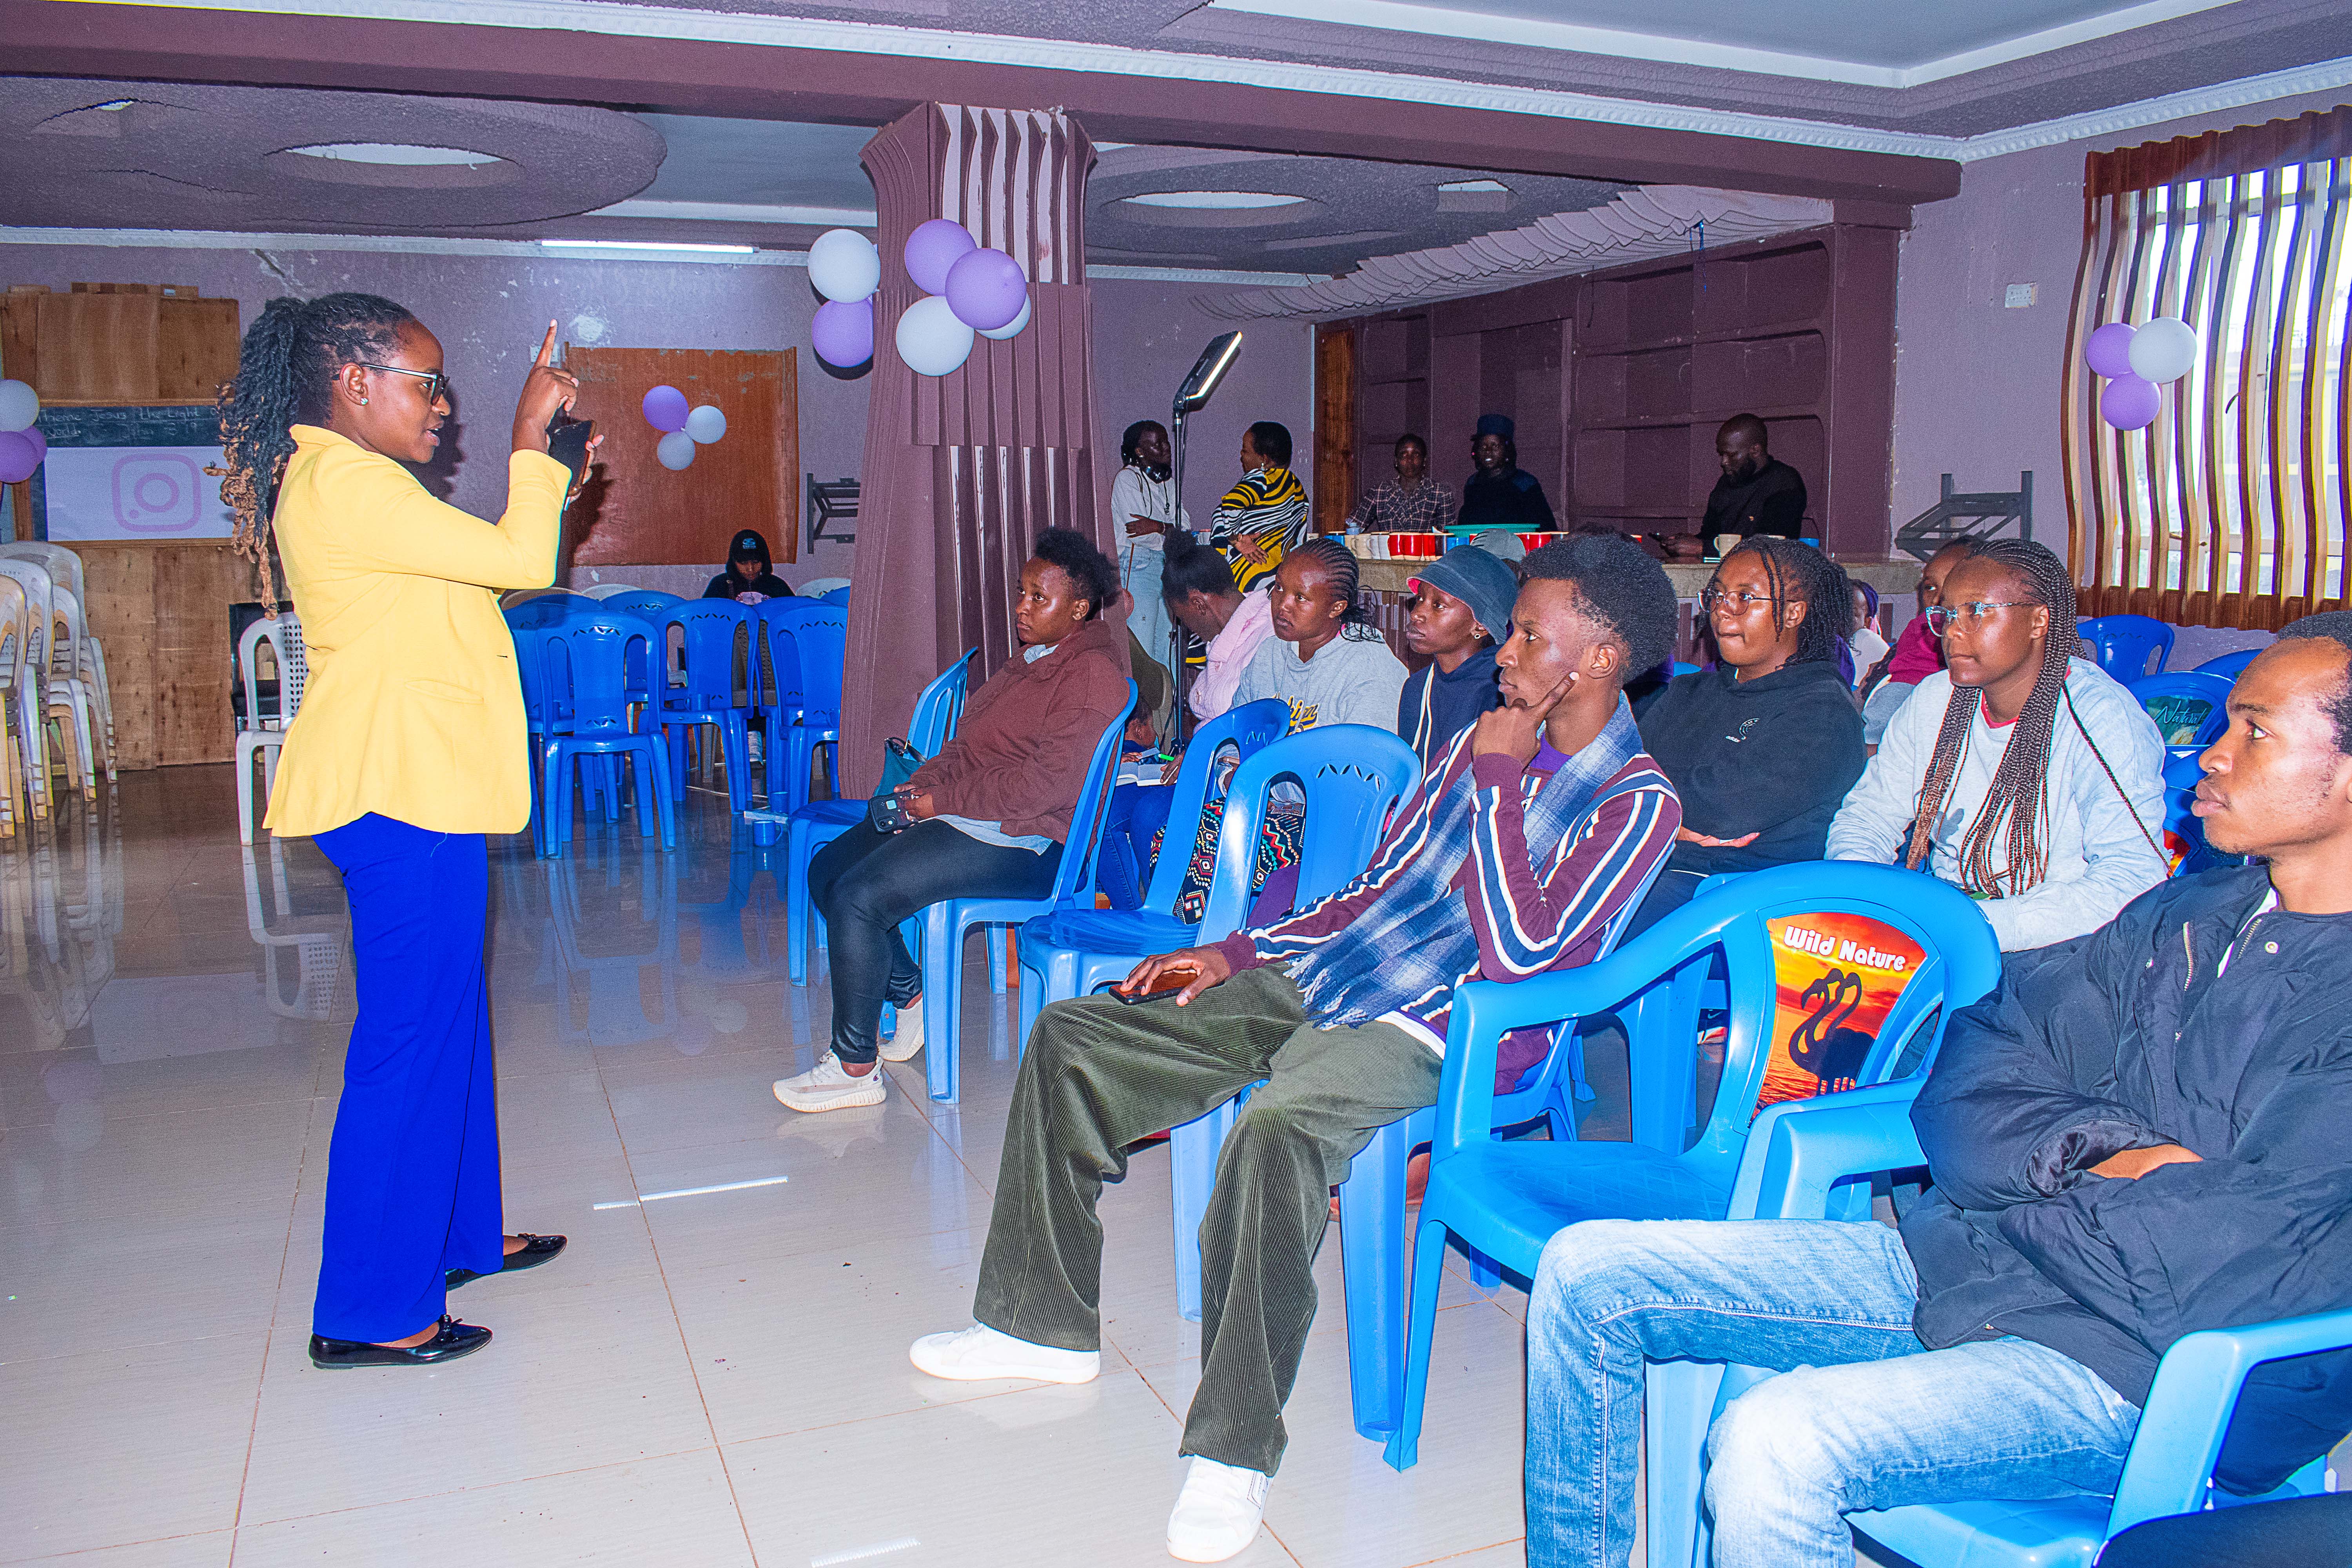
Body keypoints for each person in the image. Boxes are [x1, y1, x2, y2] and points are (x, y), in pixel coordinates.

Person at [908, 534, 1683, 1563]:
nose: (1507, 648)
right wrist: (1232, 951)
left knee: (1274, 1133)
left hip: (1445, 1031)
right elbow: (1371, 893)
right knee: (1075, 1035)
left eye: (1531, 633)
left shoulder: (1637, 802)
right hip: (1330, 975)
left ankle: (1232, 1451)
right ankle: (1036, 1324)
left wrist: (1500, 783)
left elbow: (1527, 953)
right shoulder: (1468, 749)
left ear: (1597, 659)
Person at [1521, 617, 2352, 1568]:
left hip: (2143, 1373)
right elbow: (1976, 1057)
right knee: (1590, 1272)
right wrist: (2092, 1155)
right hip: (1980, 1265)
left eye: (2254, 729)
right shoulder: (2187, 914)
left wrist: (2022, 1176)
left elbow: (2243, 1258)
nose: (2209, 750)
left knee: (1778, 1436)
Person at [217, 295, 592, 1368]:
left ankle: (462, 1234)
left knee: (450, 1021)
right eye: (424, 384)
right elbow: (522, 558)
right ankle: (374, 1311)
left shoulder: (354, 488)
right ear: (354, 384)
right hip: (396, 794)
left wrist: (539, 483)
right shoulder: (347, 481)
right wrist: (533, 446)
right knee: (407, 1041)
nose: (444, 406)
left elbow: (462, 596)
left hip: (419, 787)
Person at [773, 528, 1130, 1113]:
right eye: (1021, 592)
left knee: (862, 896)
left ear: (1080, 608)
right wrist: (926, 786)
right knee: (830, 871)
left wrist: (942, 804)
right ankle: (910, 996)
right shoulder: (1031, 662)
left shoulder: (1090, 676)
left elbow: (1044, 786)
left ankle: (855, 1066)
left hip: (1032, 842)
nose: (1021, 606)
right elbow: (969, 745)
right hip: (979, 814)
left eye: (1038, 597)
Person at [1827, 538, 2166, 954]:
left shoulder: (2102, 717)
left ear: (2040, 621)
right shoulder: (1936, 698)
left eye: (1977, 612)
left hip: (2058, 948)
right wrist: (1862, 907)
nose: (1953, 630)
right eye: (1947, 613)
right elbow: (1867, 817)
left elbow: (2133, 880)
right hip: (1950, 928)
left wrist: (1968, 927)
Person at [1630, 537, 1867, 932]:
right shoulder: (1688, 693)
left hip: (1747, 904)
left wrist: (1642, 813)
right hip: (1657, 868)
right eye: (1718, 595)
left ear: (1793, 613)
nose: (1724, 612)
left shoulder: (1822, 712)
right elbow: (1612, 779)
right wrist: (1668, 823)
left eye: (1745, 597)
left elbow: (1719, 812)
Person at [1396, 544, 1513, 768]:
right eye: (1420, 599)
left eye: (1438, 605)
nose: (1417, 613)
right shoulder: (1417, 687)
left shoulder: (1500, 692)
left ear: (1479, 624)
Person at [1860, 537, 1974, 744]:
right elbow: (1899, 657)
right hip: (1898, 684)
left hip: (1912, 690)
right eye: (1930, 587)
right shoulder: (1923, 623)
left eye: (1951, 585)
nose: (1938, 598)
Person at [1163, 533, 1274, 724]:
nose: (1186, 627)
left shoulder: (1268, 639)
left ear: (1199, 604)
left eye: (1182, 618)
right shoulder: (1224, 640)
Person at [1113, 419, 1188, 675]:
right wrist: (1168, 530)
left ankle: (1169, 716)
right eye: (1157, 444)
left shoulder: (1168, 483)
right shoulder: (1127, 480)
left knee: (1168, 650)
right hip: (1139, 566)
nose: (1166, 448)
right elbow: (1137, 534)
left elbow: (1185, 528)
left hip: (1167, 567)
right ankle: (1145, 716)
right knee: (1144, 652)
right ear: (1140, 452)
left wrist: (1158, 526)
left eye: (1166, 441)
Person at [1209, 421, 1308, 593]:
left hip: (1245, 575)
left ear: (1264, 460)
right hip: (1276, 580)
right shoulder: (1297, 488)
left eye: (1245, 450)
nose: (1241, 455)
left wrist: (1236, 540)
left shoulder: (1260, 478)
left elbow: (1230, 505)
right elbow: (1298, 540)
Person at [1699, 413, 1808, 545]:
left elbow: (1771, 547)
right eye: (1722, 454)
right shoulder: (1727, 481)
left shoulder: (1784, 483)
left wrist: (1703, 548)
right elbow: (1710, 534)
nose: (1724, 462)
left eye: (1731, 455)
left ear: (1755, 451)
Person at [1457, 413, 1556, 532]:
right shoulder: (1472, 484)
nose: (1488, 452)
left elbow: (1546, 528)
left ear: (1507, 450)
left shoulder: (1525, 483)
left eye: (1495, 446)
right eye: (1483, 447)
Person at [1347, 433, 1456, 533]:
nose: (1410, 460)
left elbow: (1446, 538)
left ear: (1424, 461)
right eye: (1404, 455)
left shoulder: (1440, 494)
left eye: (1416, 454)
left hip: (1425, 554)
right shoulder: (1380, 492)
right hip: (1387, 554)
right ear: (1396, 461)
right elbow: (1352, 526)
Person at [701, 527, 794, 602]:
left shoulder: (776, 585)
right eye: (744, 563)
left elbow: (795, 614)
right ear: (734, 563)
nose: (750, 569)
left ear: (765, 561)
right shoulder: (720, 584)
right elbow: (703, 615)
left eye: (756, 562)